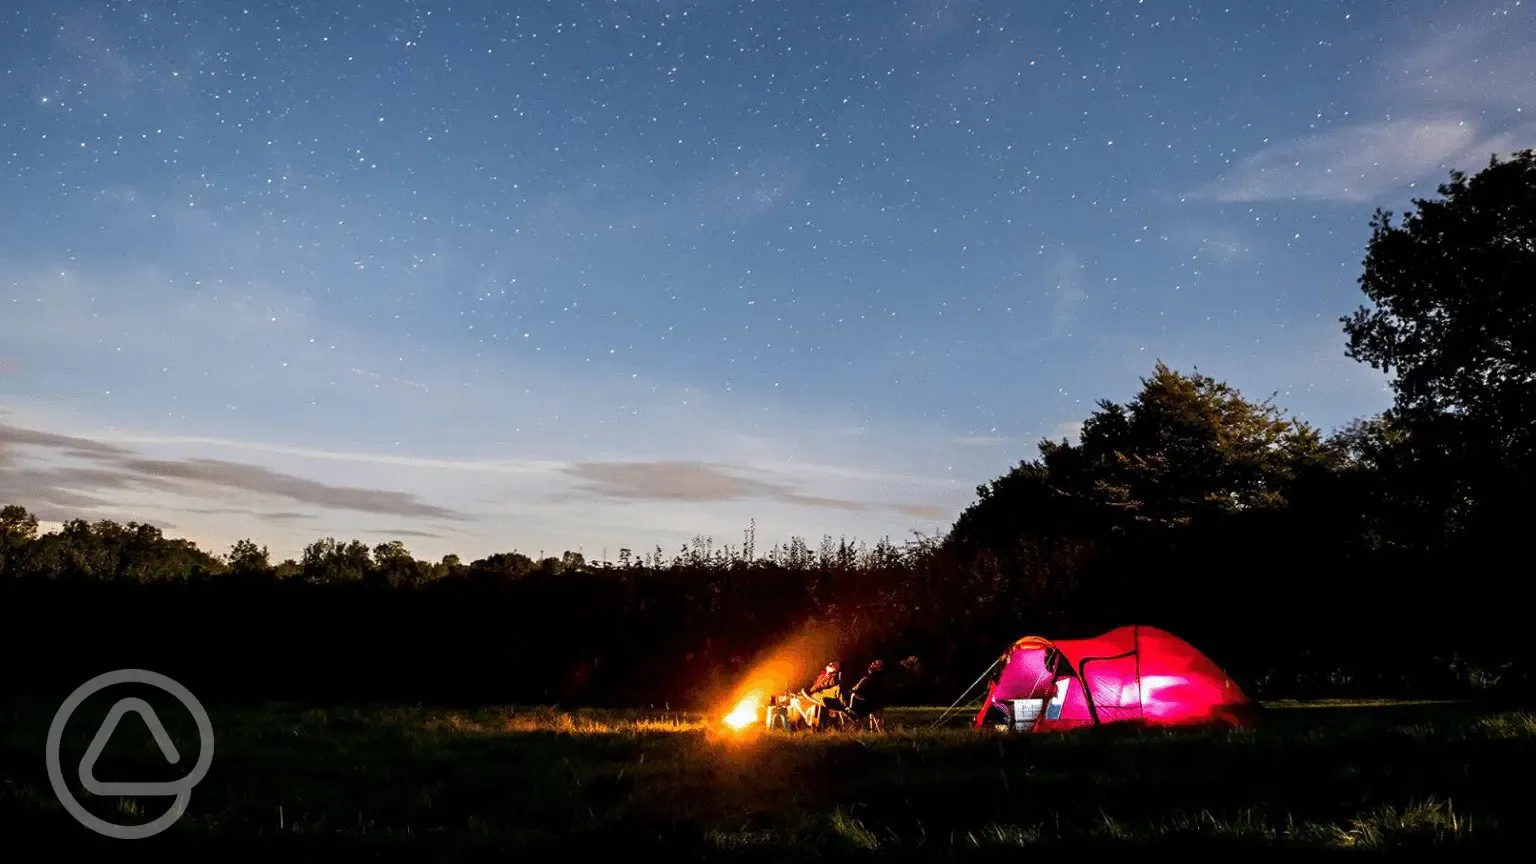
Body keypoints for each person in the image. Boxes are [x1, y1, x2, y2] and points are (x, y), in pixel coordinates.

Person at [801, 659, 844, 729]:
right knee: (796, 700)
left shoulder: (835, 677)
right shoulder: (822, 675)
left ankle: (819, 728)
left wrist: (814, 691)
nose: (829, 666)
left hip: (827, 699)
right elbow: (815, 687)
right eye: (829, 664)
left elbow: (830, 687)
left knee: (820, 704)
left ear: (836, 668)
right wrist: (809, 691)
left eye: (832, 665)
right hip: (816, 697)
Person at [846, 659, 888, 729]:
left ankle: (853, 715)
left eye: (874, 664)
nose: (872, 664)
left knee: (852, 695)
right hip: (878, 702)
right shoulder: (880, 677)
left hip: (868, 703)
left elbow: (857, 688)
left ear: (878, 667)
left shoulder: (871, 677)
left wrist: (853, 691)